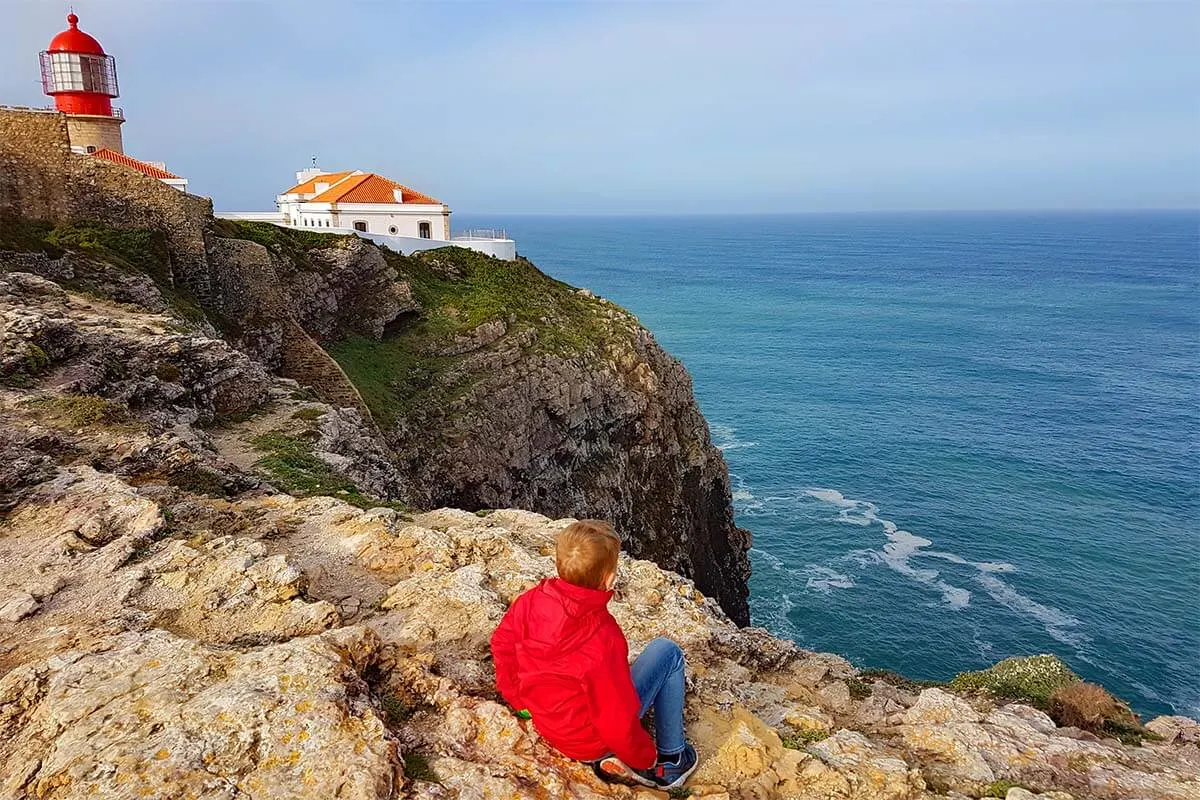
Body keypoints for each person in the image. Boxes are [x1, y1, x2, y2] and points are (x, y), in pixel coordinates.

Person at [490, 519, 698, 789]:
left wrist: (520, 702)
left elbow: (502, 645)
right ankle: (672, 758)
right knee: (667, 652)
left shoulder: (531, 601)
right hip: (591, 742)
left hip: (548, 723)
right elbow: (615, 716)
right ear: (608, 579)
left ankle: (608, 758)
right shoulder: (602, 637)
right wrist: (644, 758)